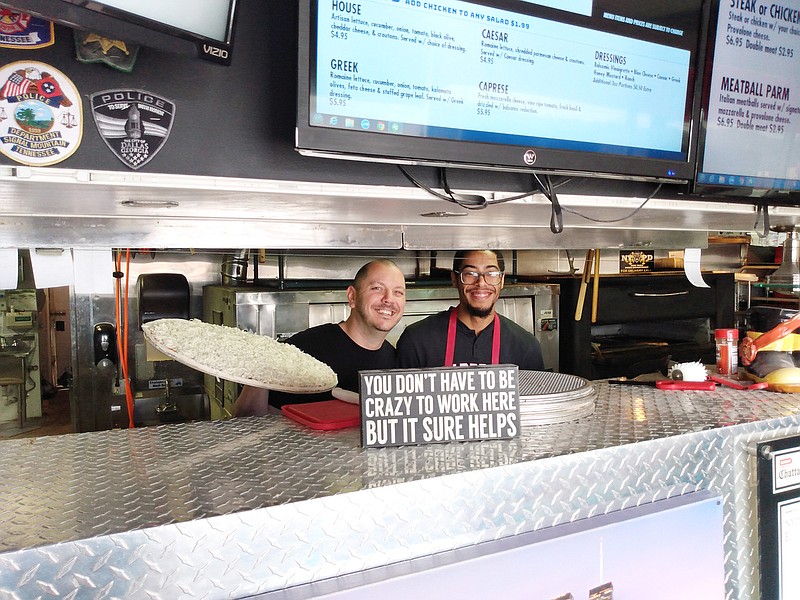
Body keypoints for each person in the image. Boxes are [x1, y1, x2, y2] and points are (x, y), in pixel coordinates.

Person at [233, 259, 406, 416]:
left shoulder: (395, 362)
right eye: (377, 288)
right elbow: (247, 420)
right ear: (352, 296)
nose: (388, 299)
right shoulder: (303, 350)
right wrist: (260, 371)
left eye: (398, 292)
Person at [396, 249, 544, 370]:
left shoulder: (525, 346)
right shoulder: (417, 340)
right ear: (455, 279)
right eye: (470, 274)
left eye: (491, 274)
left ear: (502, 280)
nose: (481, 283)